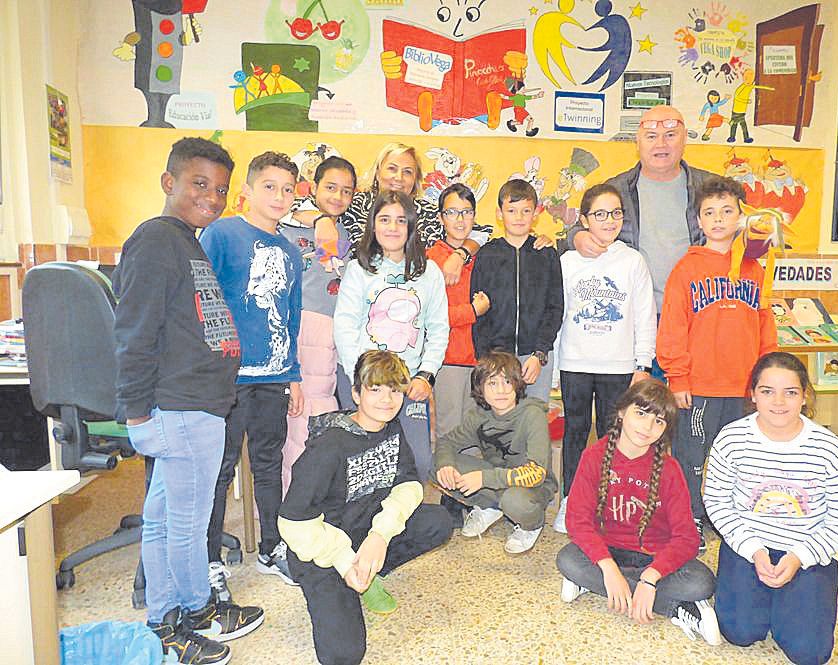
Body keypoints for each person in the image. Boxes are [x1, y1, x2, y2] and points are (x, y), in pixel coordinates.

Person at [113, 137, 263, 664]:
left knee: (163, 519)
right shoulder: (156, 240)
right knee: (188, 522)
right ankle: (195, 614)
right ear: (168, 182)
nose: (212, 197)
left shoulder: (185, 241)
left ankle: (161, 619)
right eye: (199, 184)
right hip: (181, 406)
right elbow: (133, 331)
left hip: (195, 403)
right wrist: (135, 411)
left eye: (221, 189)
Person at [279, 350, 453, 665]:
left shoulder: (391, 427)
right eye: (375, 389)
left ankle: (371, 571)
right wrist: (346, 563)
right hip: (321, 550)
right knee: (343, 655)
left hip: (364, 529)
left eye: (394, 390)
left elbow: (409, 484)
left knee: (438, 521)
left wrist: (380, 537)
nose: (387, 399)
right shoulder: (329, 446)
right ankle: (351, 578)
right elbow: (292, 523)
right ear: (356, 393)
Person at [704, 352, 838, 664]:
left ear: (804, 396)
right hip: (749, 547)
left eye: (790, 392)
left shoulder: (828, 448)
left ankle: (792, 601)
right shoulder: (732, 439)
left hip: (805, 553)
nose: (778, 402)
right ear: (752, 394)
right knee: (740, 633)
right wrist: (753, 550)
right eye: (767, 391)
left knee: (809, 653)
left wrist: (800, 556)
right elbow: (717, 501)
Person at [199, 151, 304, 595]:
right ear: (247, 190)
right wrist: (211, 367)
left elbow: (291, 315)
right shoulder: (222, 234)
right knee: (219, 470)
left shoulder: (292, 252)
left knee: (268, 464)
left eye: (287, 189)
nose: (279, 196)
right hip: (228, 380)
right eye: (269, 186)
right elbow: (203, 301)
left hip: (274, 377)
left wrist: (293, 373)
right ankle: (207, 560)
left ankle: (271, 548)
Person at [656, 175, 777, 550]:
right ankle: (690, 515)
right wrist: (678, 377)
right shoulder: (686, 269)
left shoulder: (756, 268)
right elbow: (672, 326)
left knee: (738, 459)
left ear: (742, 217)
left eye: (727, 211)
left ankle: (729, 515)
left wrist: (768, 378)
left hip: (743, 388)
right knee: (692, 457)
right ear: (699, 220)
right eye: (710, 212)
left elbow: (764, 323)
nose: (719, 219)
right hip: (700, 387)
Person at [555, 379, 721, 645]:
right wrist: (608, 568)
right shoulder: (594, 457)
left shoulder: (670, 469)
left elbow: (687, 538)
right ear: (621, 412)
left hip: (652, 557)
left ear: (666, 429)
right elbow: (577, 521)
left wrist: (650, 578)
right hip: (607, 552)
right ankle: (674, 607)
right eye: (640, 413)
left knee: (702, 582)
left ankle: (603, 586)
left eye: (658, 421)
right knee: (568, 559)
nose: (647, 426)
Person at [569, 105, 712, 377]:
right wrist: (577, 236)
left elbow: (740, 238)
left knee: (691, 406)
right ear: (638, 142)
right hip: (636, 321)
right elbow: (577, 228)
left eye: (670, 134)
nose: (661, 143)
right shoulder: (617, 189)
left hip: (696, 317)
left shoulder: (710, 188)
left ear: (684, 139)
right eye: (651, 136)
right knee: (641, 409)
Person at [553, 183, 657, 533]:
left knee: (614, 436)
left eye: (615, 213)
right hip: (575, 363)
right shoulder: (567, 261)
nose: (609, 220)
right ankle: (571, 501)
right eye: (600, 214)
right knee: (576, 433)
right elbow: (558, 314)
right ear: (584, 220)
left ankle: (611, 501)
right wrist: (554, 368)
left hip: (619, 366)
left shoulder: (632, 261)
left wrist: (642, 365)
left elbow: (645, 316)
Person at [333, 190, 450, 482]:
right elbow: (345, 325)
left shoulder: (429, 272)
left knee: (419, 463)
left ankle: (406, 522)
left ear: (411, 226)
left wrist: (427, 375)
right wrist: (359, 380)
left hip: (409, 383)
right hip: (363, 381)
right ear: (373, 225)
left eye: (401, 220)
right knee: (363, 465)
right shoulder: (359, 269)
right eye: (384, 219)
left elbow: (438, 328)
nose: (393, 227)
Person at [278, 156, 357, 495]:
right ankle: (294, 498)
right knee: (301, 416)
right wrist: (319, 217)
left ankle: (310, 495)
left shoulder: (343, 233)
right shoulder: (290, 222)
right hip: (299, 328)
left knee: (317, 413)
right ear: (314, 187)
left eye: (346, 191)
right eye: (330, 188)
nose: (338, 196)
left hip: (330, 331)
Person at [433, 351, 557, 554]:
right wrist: (445, 464)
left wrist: (484, 478)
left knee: (515, 501)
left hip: (533, 486)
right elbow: (446, 442)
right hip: (499, 477)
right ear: (480, 388)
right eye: (492, 383)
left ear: (517, 384)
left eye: (507, 382)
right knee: (436, 466)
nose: (501, 390)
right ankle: (490, 507)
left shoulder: (532, 415)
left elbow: (536, 473)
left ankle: (530, 526)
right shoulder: (480, 416)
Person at [342, 143, 493, 285]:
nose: (399, 177)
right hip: (363, 292)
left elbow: (478, 232)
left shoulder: (429, 212)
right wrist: (322, 221)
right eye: (392, 169)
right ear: (377, 172)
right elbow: (325, 207)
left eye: (407, 172)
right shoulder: (355, 204)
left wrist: (460, 254)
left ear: (415, 179)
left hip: (416, 296)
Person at [470, 178, 564, 402]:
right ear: (499, 214)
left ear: (536, 213)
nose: (519, 217)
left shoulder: (546, 253)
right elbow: (478, 312)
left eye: (525, 210)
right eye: (512, 210)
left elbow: (555, 308)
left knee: (533, 421)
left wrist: (539, 353)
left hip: (534, 358)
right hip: (497, 358)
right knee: (499, 424)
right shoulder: (487, 255)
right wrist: (487, 358)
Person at [426, 183, 489, 439]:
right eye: (452, 212)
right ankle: (446, 481)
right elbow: (431, 317)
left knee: (476, 435)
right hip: (449, 359)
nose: (460, 219)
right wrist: (472, 311)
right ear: (441, 217)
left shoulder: (484, 254)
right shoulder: (431, 259)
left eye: (467, 212)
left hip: (481, 360)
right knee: (449, 435)